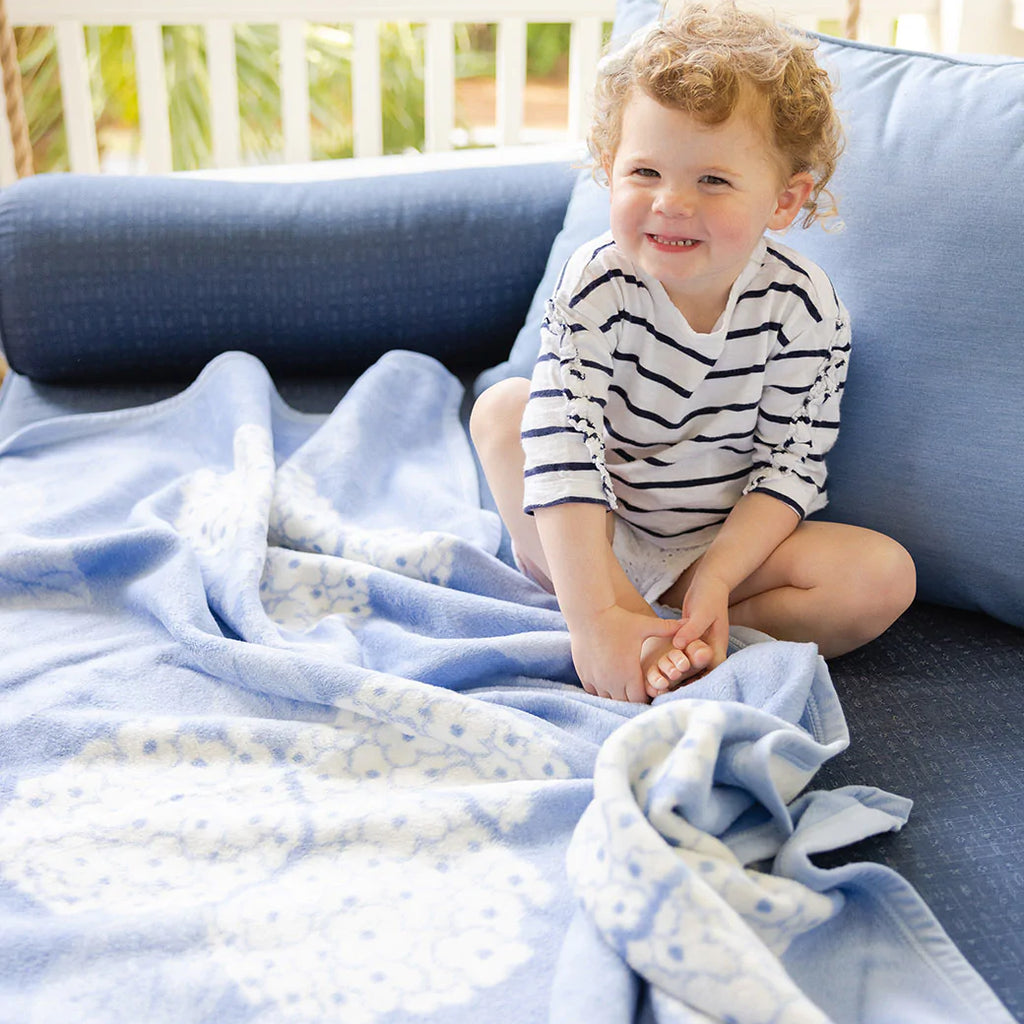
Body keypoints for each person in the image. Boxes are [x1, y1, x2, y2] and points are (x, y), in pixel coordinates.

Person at [470, 0, 916, 703]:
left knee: (881, 576)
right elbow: (564, 445)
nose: (672, 203)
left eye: (712, 180)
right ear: (610, 169)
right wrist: (594, 619)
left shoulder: (805, 309)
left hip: (716, 547)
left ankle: (683, 637)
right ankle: (615, 624)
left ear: (784, 200)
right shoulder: (598, 283)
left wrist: (718, 581)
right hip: (594, 533)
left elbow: (789, 470)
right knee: (503, 412)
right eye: (644, 173)